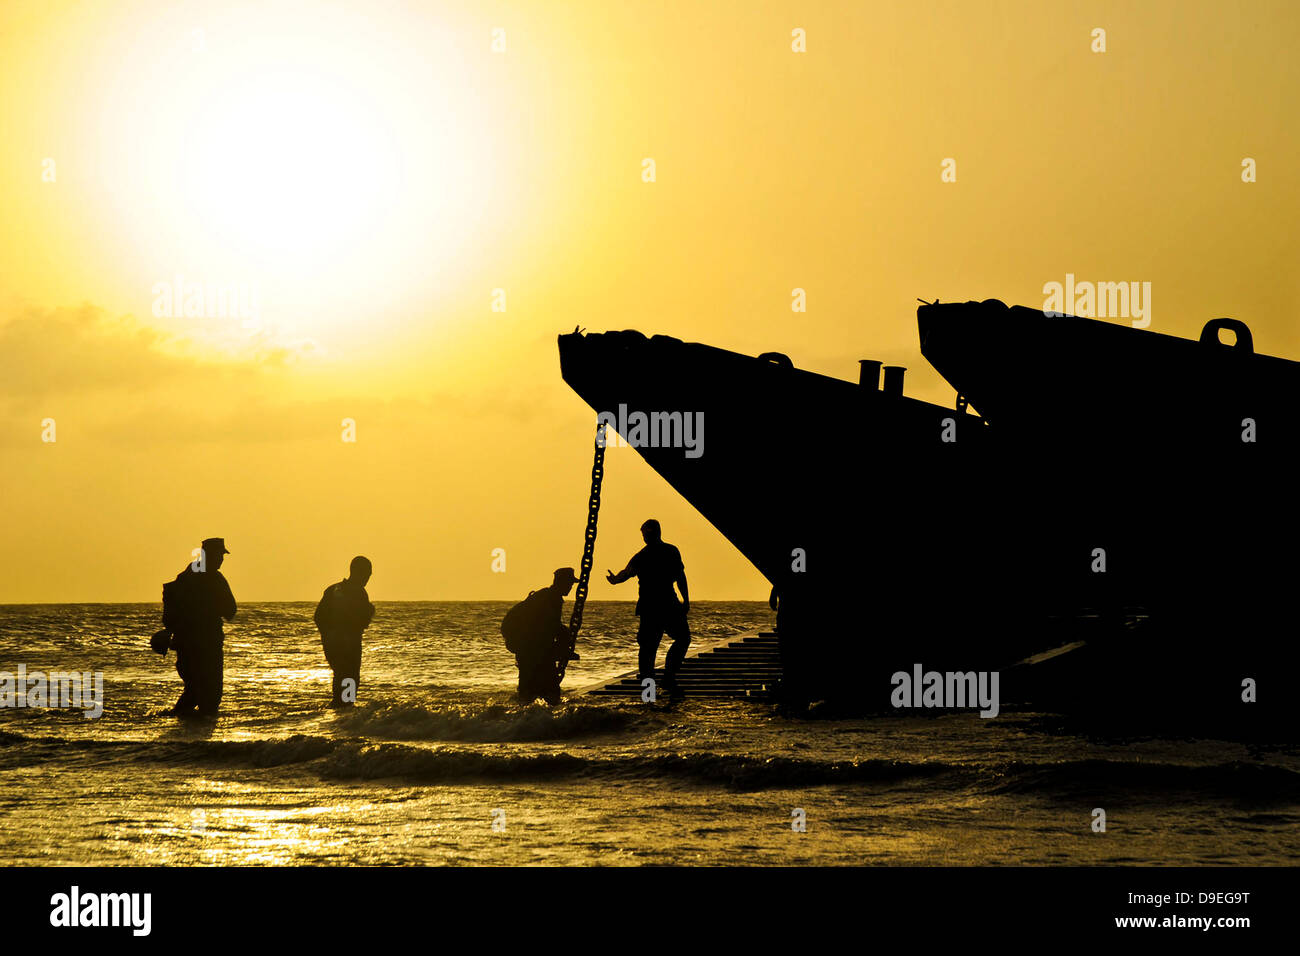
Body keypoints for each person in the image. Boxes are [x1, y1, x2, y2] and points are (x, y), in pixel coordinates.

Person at [605, 519, 691, 692]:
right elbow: (680, 577)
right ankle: (667, 678)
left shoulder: (643, 555)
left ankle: (651, 693)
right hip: (667, 604)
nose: (643, 537)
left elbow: (626, 573)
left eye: (644, 533)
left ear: (650, 533)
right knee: (680, 639)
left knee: (649, 652)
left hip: (652, 607)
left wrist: (615, 580)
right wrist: (686, 600)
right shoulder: (670, 551)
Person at [164, 537, 237, 716]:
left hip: (186, 645)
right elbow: (230, 610)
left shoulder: (185, 577)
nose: (221, 559)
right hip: (207, 645)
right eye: (219, 555)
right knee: (209, 696)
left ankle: (183, 732)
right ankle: (192, 735)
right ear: (209, 555)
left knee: (194, 690)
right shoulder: (214, 579)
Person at [511, 567, 578, 705]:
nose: (571, 587)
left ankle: (524, 721)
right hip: (535, 652)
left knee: (526, 695)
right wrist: (564, 639)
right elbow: (549, 625)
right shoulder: (552, 599)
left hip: (527, 651)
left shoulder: (545, 596)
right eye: (569, 583)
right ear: (562, 582)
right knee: (551, 695)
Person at [314, 556, 375, 706]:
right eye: (367, 573)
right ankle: (345, 710)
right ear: (360, 572)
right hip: (349, 646)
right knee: (350, 678)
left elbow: (318, 618)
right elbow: (362, 620)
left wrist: (328, 637)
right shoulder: (359, 592)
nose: (368, 577)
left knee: (340, 676)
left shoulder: (332, 590)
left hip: (332, 645)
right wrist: (370, 611)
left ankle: (339, 708)